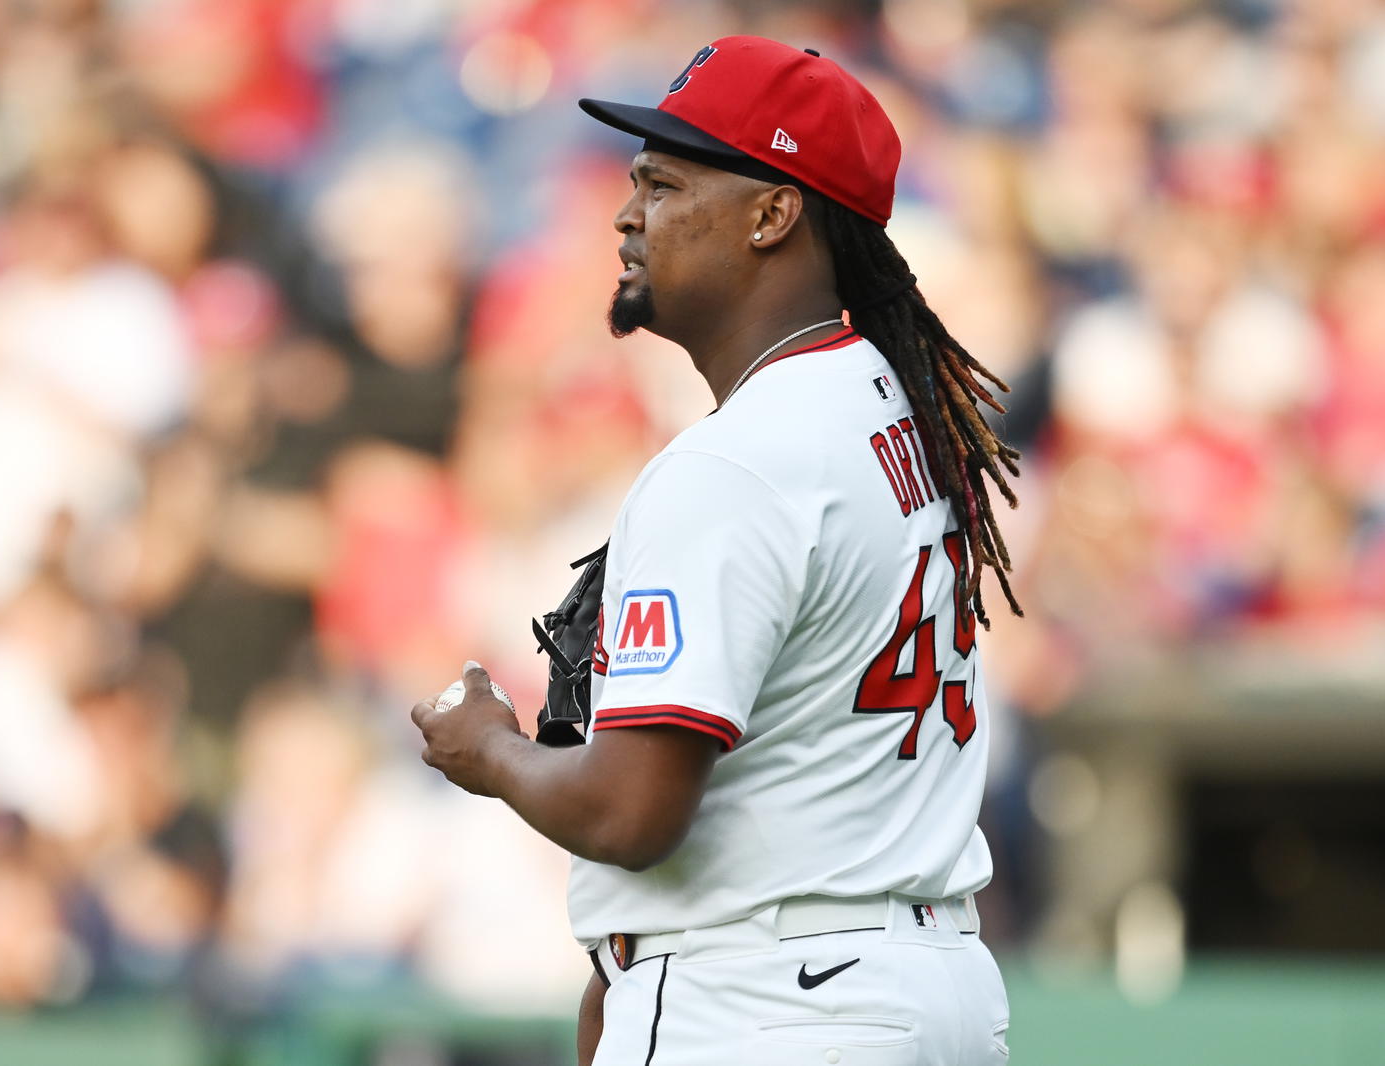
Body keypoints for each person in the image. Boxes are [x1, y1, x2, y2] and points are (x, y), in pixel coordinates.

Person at [412, 35, 1020, 1065]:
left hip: (769, 999)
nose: (626, 212)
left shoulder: (738, 462)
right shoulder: (901, 411)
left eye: (663, 180)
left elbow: (631, 810)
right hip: (926, 984)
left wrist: (491, 753)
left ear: (771, 212)